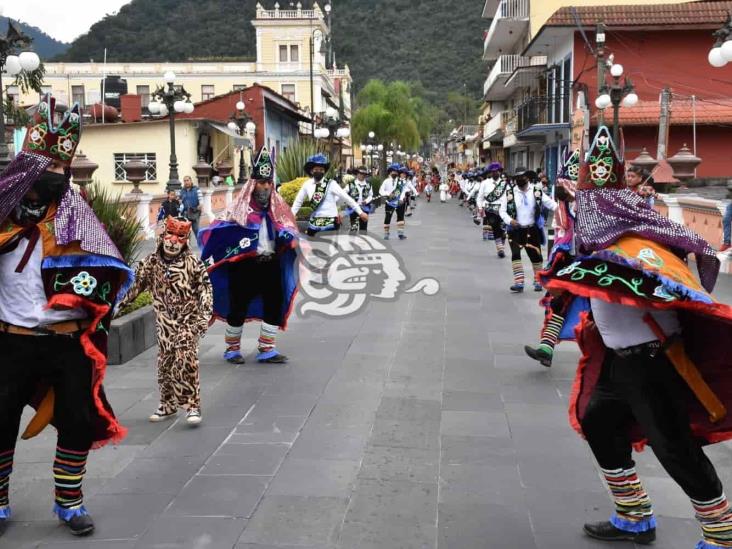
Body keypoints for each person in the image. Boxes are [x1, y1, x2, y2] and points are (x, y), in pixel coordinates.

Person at [540, 126, 732, 548]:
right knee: (597, 421)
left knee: (674, 447)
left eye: (587, 206)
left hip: (652, 360)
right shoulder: (606, 235)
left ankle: (722, 533)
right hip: (620, 359)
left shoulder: (638, 241)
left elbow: (688, 268)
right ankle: (635, 515)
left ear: (604, 207)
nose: (580, 213)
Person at [0, 94, 132, 537]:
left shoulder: (78, 217)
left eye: (61, 169)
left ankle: (69, 501)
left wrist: (84, 304)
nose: (56, 176)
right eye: (47, 167)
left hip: (67, 342)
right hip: (9, 339)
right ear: (26, 168)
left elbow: (107, 273)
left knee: (78, 418)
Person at [200, 146, 299, 365]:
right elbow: (219, 229)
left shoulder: (277, 209)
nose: (265, 187)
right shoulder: (238, 210)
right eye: (261, 183)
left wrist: (287, 235)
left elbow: (290, 228)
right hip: (244, 265)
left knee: (274, 302)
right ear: (252, 184)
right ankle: (232, 349)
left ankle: (267, 348)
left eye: (268, 183)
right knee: (238, 305)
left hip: (270, 263)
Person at [117, 216, 212, 425]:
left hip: (188, 321)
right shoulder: (151, 262)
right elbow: (134, 288)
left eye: (180, 236)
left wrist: (204, 317)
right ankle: (167, 404)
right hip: (164, 324)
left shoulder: (192, 262)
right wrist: (114, 309)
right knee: (165, 363)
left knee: (186, 359)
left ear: (186, 239)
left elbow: (205, 289)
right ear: (163, 235)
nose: (173, 240)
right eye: (170, 234)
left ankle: (192, 406)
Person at [499, 168, 557, 293]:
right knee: (515, 254)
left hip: (531, 229)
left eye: (523, 177)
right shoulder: (509, 193)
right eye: (518, 178)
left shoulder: (537, 191)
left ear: (528, 178)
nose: (520, 180)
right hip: (515, 230)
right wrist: (510, 221)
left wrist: (564, 210)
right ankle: (519, 282)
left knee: (535, 256)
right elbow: (502, 211)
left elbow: (551, 204)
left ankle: (538, 281)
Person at [291, 154, 368, 237]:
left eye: (321, 169)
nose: (319, 171)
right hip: (314, 223)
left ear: (324, 171)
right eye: (316, 169)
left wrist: (360, 212)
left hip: (330, 223)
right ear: (312, 171)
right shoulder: (307, 184)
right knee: (314, 247)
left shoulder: (331, 184)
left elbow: (347, 198)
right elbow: (298, 202)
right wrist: (291, 215)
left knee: (328, 248)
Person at [475, 162, 508, 257]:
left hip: (503, 210)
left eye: (496, 171)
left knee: (503, 230)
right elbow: (480, 197)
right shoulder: (485, 183)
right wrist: (480, 208)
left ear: (500, 171)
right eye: (492, 172)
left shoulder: (505, 183)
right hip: (490, 210)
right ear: (490, 173)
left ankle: (501, 246)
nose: (494, 173)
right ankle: (500, 249)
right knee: (496, 228)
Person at [379, 164, 410, 240]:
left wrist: (402, 198)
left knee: (400, 217)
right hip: (390, 202)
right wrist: (387, 194)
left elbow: (405, 190)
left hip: (399, 202)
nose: (395, 173)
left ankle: (400, 234)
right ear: (390, 172)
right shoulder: (386, 181)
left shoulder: (401, 181)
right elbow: (381, 191)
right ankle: (386, 234)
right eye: (393, 171)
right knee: (388, 217)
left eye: (396, 172)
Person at [346, 166, 374, 233]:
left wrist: (366, 201)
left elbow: (371, 195)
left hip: (365, 208)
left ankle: (362, 242)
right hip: (353, 208)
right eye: (360, 173)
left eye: (364, 174)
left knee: (363, 227)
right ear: (357, 174)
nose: (362, 175)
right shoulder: (350, 184)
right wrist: (348, 201)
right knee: (353, 227)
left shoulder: (369, 184)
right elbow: (344, 194)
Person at [179, 175, 203, 240]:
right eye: (185, 181)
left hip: (194, 212)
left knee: (196, 229)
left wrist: (200, 205)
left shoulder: (196, 189)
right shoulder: (182, 191)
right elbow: (180, 200)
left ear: (191, 181)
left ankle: (201, 244)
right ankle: (187, 246)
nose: (186, 182)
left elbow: (201, 199)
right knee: (186, 231)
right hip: (185, 213)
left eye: (187, 180)